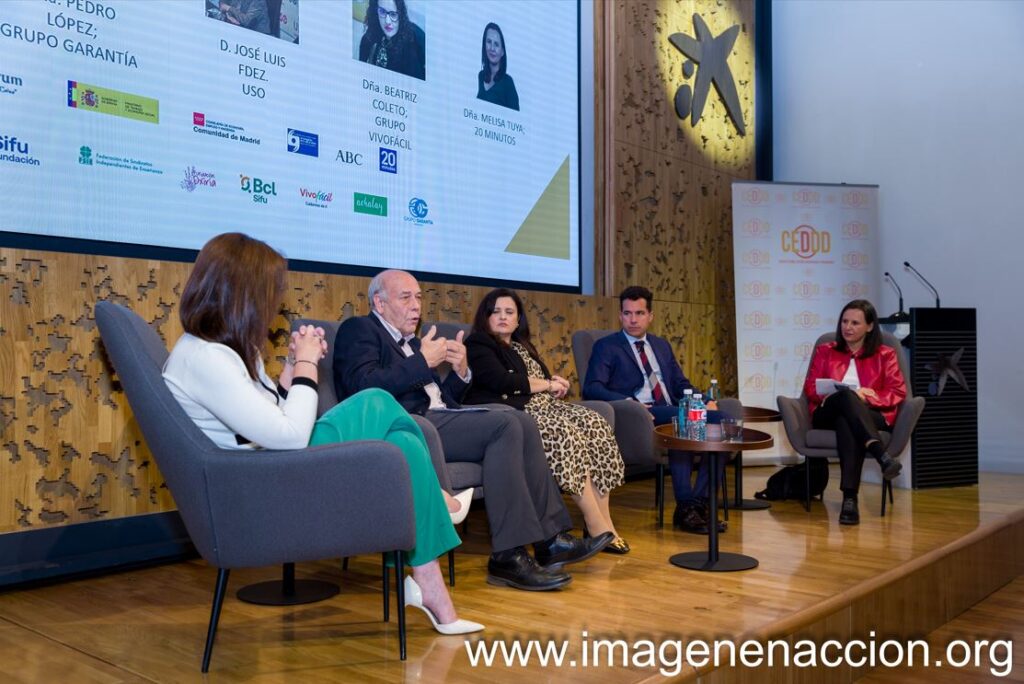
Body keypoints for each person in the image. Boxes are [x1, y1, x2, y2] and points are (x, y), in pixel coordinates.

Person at [162, 234, 481, 634]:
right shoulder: (204, 357)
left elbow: (269, 415)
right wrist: (308, 366)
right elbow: (291, 434)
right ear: (241, 293)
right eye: (270, 292)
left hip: (271, 462)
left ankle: (431, 589)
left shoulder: (226, 351)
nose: (274, 304)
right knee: (376, 401)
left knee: (400, 442)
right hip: (260, 483)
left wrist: (289, 371)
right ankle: (438, 501)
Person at [334, 269, 613, 591]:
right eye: (405, 297)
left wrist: (461, 371)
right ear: (379, 304)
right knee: (506, 421)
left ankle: (551, 540)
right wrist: (421, 360)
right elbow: (363, 389)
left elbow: (441, 398)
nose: (416, 306)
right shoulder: (360, 329)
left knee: (519, 419)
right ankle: (508, 556)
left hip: (438, 418)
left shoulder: (411, 342)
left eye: (419, 297)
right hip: (407, 426)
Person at [463, 289, 628, 553]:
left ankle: (604, 521)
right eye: (496, 312)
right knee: (563, 431)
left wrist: (556, 383)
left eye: (509, 313)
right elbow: (502, 381)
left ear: (519, 320)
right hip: (514, 410)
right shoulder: (479, 344)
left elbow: (541, 380)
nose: (503, 318)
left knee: (595, 423)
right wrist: (548, 384)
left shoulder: (522, 345)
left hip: (545, 405)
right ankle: (596, 523)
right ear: (485, 317)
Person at [582, 285, 725, 535]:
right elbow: (592, 387)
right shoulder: (607, 347)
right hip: (639, 416)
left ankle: (696, 505)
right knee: (680, 422)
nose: (633, 319)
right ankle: (689, 508)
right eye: (627, 313)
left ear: (650, 316)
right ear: (620, 315)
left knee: (721, 422)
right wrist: (630, 402)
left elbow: (681, 385)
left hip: (669, 409)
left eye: (639, 313)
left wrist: (704, 399)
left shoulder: (660, 345)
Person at [803, 299, 905, 525]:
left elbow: (897, 391)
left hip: (871, 413)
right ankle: (881, 455)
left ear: (869, 326)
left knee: (846, 420)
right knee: (846, 397)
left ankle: (850, 499)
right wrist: (841, 394)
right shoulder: (825, 351)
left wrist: (867, 396)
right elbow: (810, 388)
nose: (847, 327)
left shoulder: (885, 354)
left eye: (855, 323)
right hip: (826, 410)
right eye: (844, 321)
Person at [358, 0, 425, 81]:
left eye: (393, 14)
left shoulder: (417, 37)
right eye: (382, 11)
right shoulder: (368, 39)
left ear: (401, 14)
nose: (387, 21)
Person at [476, 22, 519, 111]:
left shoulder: (508, 83)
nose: (492, 48)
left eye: (496, 44)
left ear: (502, 51)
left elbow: (517, 119)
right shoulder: (481, 76)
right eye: (489, 42)